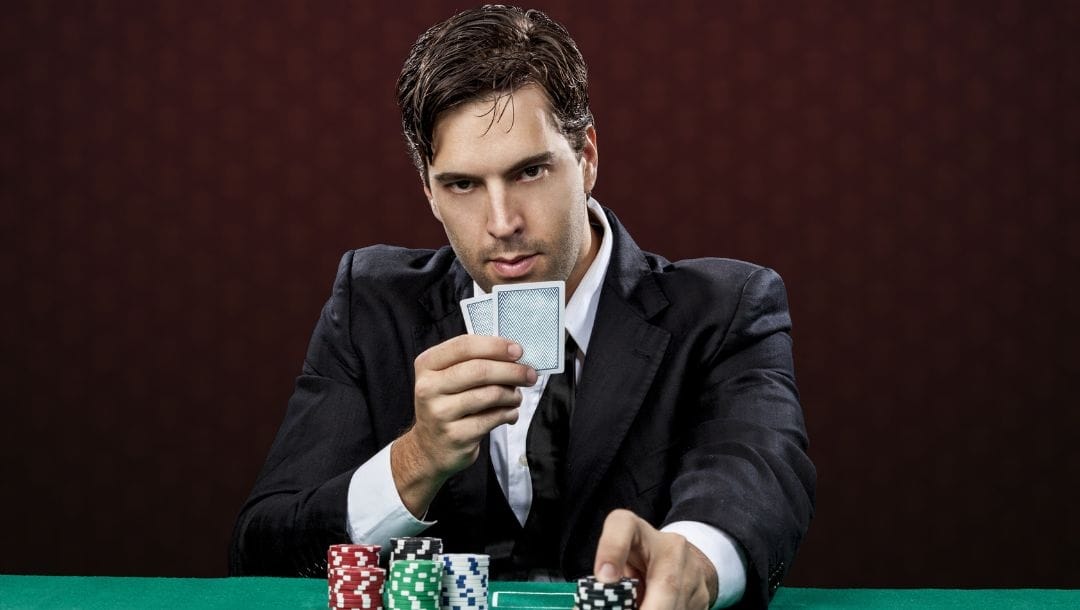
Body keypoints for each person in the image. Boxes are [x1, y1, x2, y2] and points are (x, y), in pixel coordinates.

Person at [229, 6, 815, 609]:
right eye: (462, 185)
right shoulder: (371, 305)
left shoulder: (726, 309)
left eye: (530, 171)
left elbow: (759, 473)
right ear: (427, 189)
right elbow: (261, 551)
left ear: (586, 157)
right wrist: (414, 462)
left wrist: (694, 560)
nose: (502, 223)